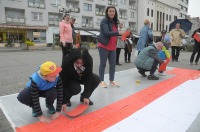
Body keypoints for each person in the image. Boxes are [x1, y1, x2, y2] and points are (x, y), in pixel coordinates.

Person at [97, 6, 125, 88]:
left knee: (112, 64)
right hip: (104, 45)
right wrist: (118, 32)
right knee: (103, 64)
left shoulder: (115, 21)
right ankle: (101, 81)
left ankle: (111, 80)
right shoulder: (104, 21)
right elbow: (106, 33)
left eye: (113, 11)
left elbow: (115, 32)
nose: (112, 13)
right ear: (107, 12)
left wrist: (119, 28)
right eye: (110, 11)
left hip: (112, 46)